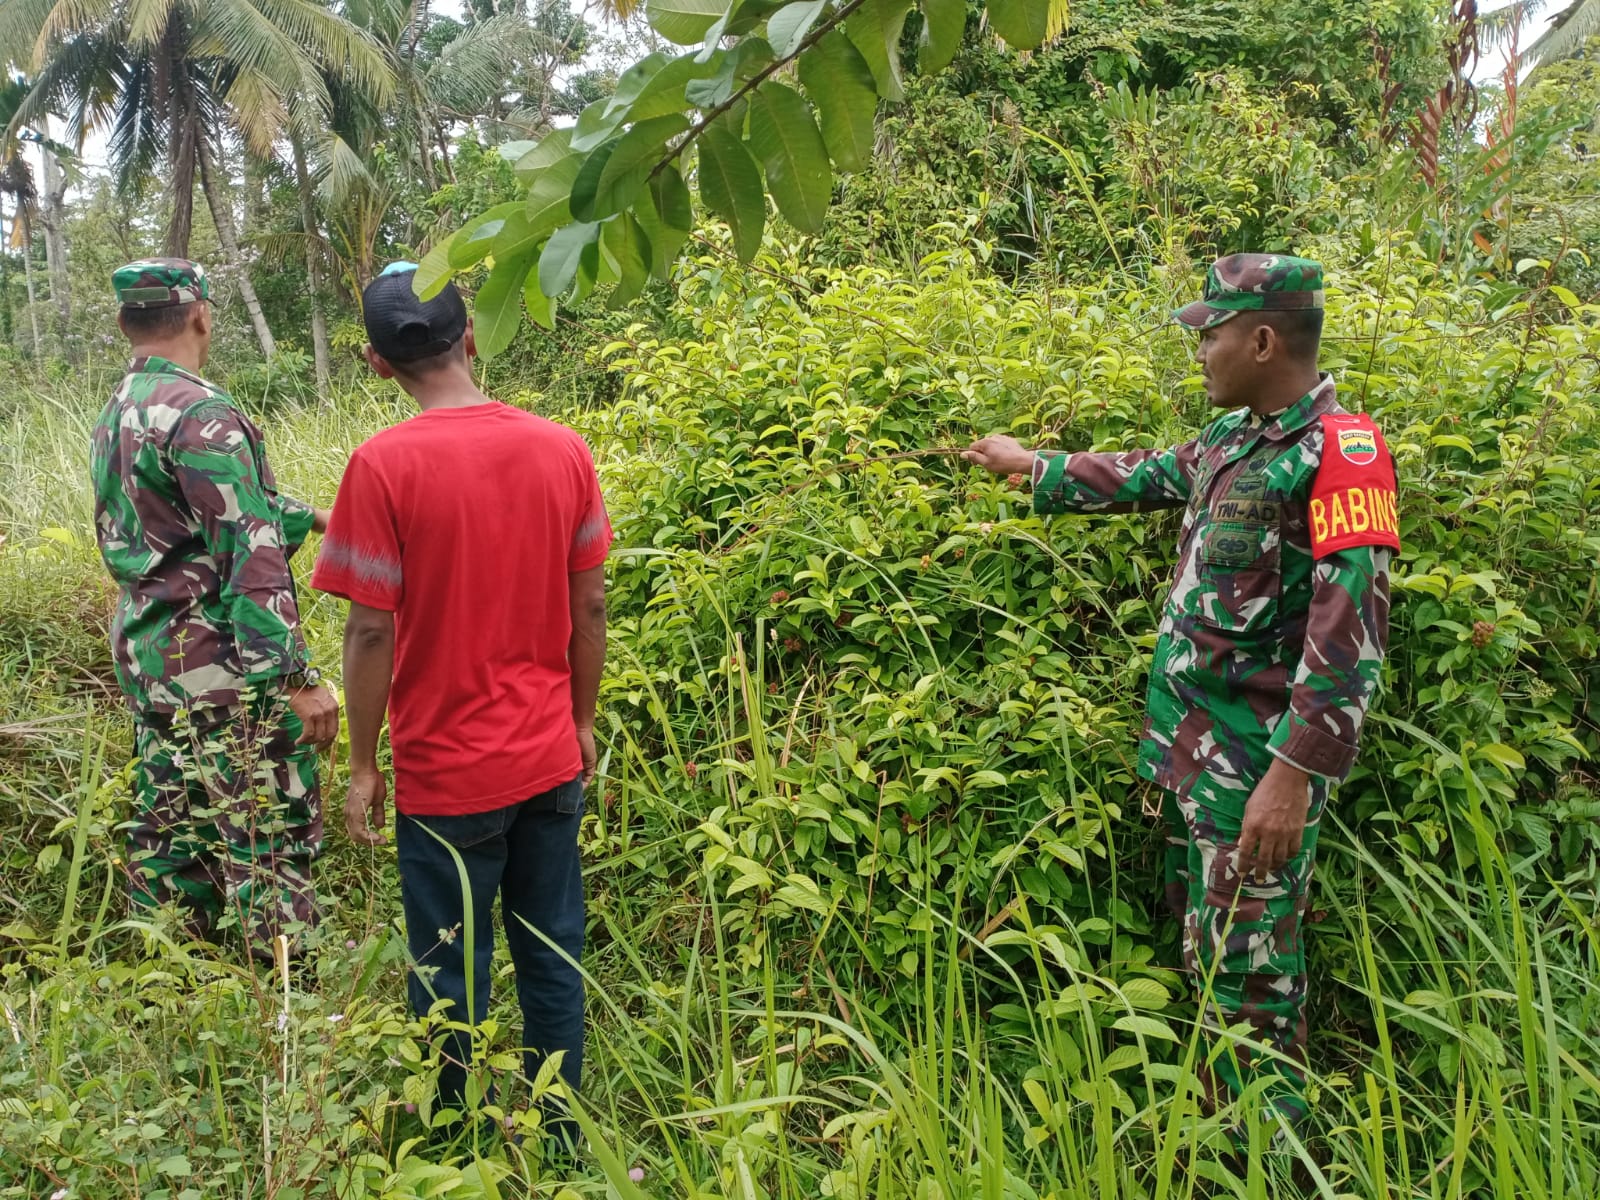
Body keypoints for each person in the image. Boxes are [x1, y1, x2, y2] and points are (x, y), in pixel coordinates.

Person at [964, 254, 1398, 1131]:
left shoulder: (1342, 454)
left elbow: (1349, 638)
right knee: (1206, 958)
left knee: (1252, 994)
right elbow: (1141, 474)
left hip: (1255, 779)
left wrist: (1293, 778)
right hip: (1193, 758)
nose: (1199, 349)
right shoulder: (1235, 440)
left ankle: (1272, 1163)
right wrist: (1030, 465)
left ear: (1264, 338)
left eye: (1212, 332)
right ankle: (1208, 1140)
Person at [312, 263, 611, 1148]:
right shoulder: (561, 447)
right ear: (470, 333)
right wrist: (582, 719)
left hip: (448, 778)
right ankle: (559, 1131)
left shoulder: (381, 466)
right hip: (549, 757)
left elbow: (371, 633)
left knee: (449, 965)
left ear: (375, 364)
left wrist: (365, 766)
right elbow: (589, 604)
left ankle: (457, 1136)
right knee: (552, 950)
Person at [91, 258, 339, 964]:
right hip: (225, 676)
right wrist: (295, 678)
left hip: (155, 666)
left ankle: (174, 1000)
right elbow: (247, 556)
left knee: (171, 841)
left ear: (123, 323)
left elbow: (180, 523)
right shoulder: (203, 413)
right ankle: (292, 1025)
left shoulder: (121, 411)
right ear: (202, 313)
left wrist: (315, 516)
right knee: (267, 843)